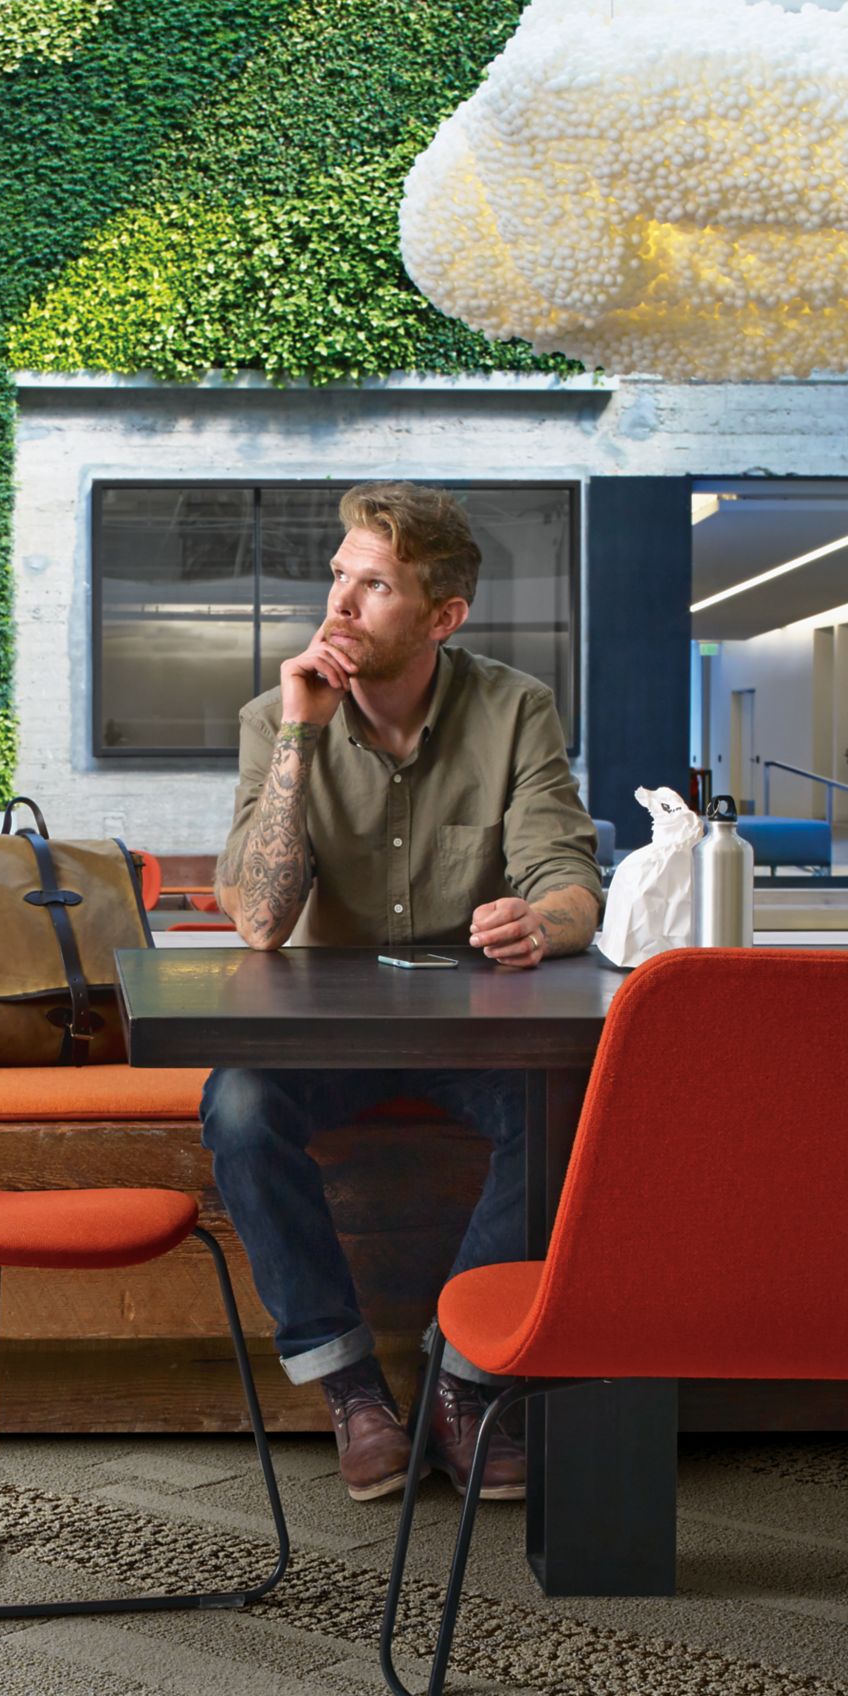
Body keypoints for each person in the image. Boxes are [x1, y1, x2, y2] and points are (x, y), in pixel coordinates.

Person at [208, 483, 603, 1504]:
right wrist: (300, 732)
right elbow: (258, 919)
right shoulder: (272, 716)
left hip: (475, 1028)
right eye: (338, 575)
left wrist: (540, 922)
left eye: (373, 584)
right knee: (239, 1102)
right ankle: (349, 1388)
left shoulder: (514, 709)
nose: (339, 603)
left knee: (566, 1103)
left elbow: (568, 883)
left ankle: (462, 1381)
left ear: (442, 616)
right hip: (322, 1036)